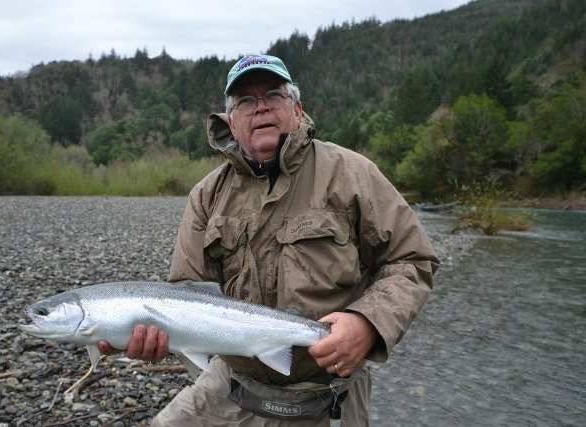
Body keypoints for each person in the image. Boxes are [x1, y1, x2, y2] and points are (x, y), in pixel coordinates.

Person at [99, 54, 440, 426]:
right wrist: (158, 336)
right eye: (246, 101)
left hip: (326, 397)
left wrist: (367, 324)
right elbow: (185, 293)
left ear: (296, 108)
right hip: (232, 385)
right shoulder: (206, 195)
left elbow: (413, 260)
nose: (260, 108)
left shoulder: (351, 173)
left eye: (273, 95)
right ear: (231, 121)